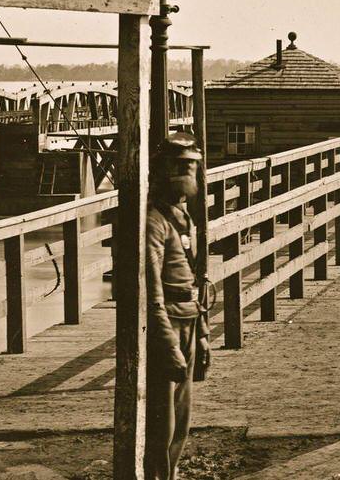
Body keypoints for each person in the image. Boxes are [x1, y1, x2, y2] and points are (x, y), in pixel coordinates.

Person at [146, 132, 209, 479]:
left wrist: (203, 333)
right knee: (162, 421)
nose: (188, 175)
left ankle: (172, 474)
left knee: (182, 418)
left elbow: (197, 282)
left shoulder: (185, 219)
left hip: (189, 319)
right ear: (164, 169)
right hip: (168, 323)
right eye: (181, 166)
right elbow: (153, 292)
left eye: (192, 167)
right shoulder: (155, 222)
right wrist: (168, 344)